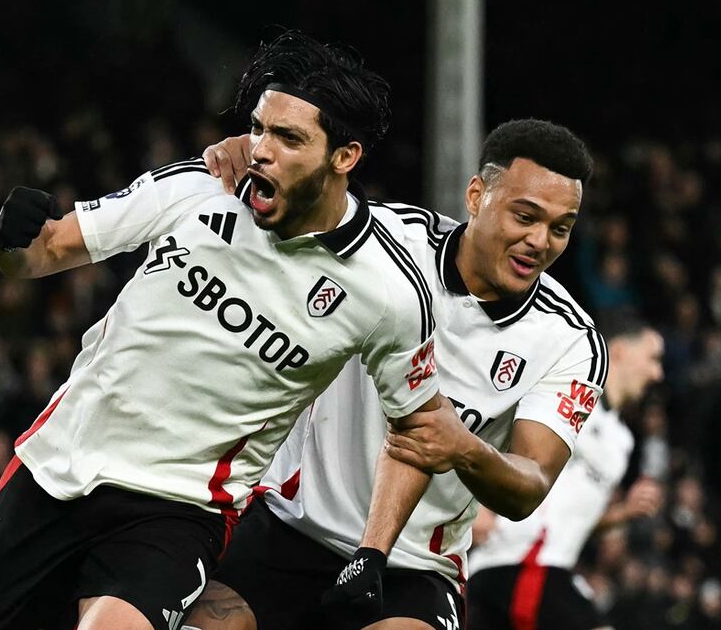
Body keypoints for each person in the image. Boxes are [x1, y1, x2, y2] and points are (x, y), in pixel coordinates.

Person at [0, 30, 449, 630]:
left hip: (179, 506)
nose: (260, 149)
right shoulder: (198, 188)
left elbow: (418, 425)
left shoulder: (386, 292)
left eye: (289, 138)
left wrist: (374, 551)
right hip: (58, 463)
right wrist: (10, 238)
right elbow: (45, 252)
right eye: (259, 127)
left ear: (345, 157)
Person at [189, 118, 601, 629]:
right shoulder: (382, 237)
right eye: (525, 216)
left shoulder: (570, 343)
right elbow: (289, 198)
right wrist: (248, 155)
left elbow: (531, 483)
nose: (539, 240)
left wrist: (465, 448)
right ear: (476, 196)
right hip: (290, 525)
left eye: (559, 228)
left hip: (413, 571)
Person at [467, 310, 666, 630]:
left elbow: (571, 523)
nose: (658, 374)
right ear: (620, 351)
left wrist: (622, 513)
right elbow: (488, 438)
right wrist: (475, 507)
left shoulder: (622, 441)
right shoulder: (565, 398)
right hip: (512, 564)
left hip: (546, 570)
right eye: (653, 358)